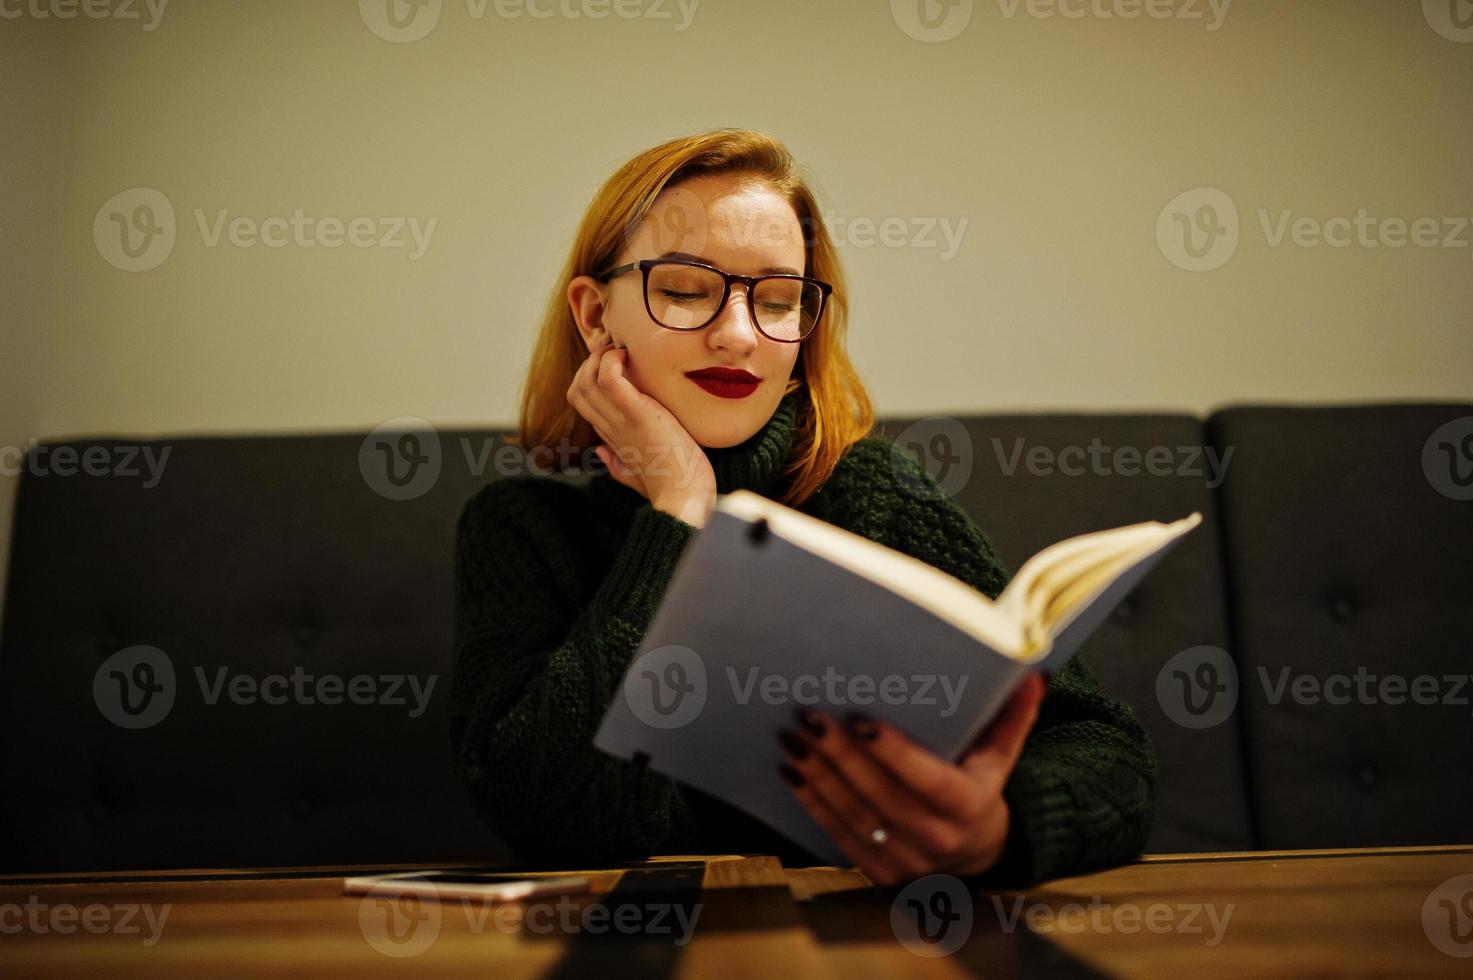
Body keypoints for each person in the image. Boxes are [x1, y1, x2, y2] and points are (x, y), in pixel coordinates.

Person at [449, 128, 1156, 888]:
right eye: (684, 290)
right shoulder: (522, 528)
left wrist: (995, 830)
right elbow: (550, 816)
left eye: (779, 301)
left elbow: (1104, 750)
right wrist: (678, 509)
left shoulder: (870, 490)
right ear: (594, 316)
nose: (737, 335)